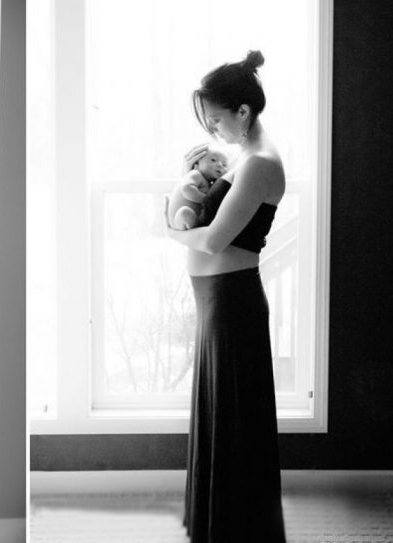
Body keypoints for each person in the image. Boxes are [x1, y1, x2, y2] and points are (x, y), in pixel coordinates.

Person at [165, 50, 287, 542]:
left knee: (234, 417)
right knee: (225, 414)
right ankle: (223, 524)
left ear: (243, 111)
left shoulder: (258, 163)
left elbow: (214, 239)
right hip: (217, 300)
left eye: (216, 119)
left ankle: (238, 529)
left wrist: (170, 231)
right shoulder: (244, 158)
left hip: (232, 301)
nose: (212, 131)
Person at [167, 146, 229, 230]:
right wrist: (207, 201)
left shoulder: (207, 182)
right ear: (196, 165)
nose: (219, 165)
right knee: (185, 213)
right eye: (213, 160)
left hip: (189, 220)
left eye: (224, 164)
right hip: (181, 216)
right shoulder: (195, 174)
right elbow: (187, 189)